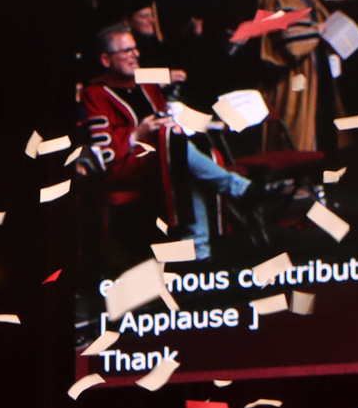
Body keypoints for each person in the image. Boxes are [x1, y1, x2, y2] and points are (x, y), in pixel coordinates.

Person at [79, 23, 253, 264]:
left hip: (159, 158)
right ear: (106, 59)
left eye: (135, 49)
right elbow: (104, 150)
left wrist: (174, 125)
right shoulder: (95, 93)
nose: (135, 55)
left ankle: (200, 250)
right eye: (126, 51)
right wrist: (137, 134)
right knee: (176, 151)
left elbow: (164, 118)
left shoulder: (145, 83)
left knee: (184, 152)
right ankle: (236, 189)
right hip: (124, 164)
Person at [253, 0, 334, 153]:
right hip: (291, 74)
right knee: (295, 126)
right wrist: (317, 30)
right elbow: (290, 38)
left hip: (314, 69)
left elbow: (323, 20)